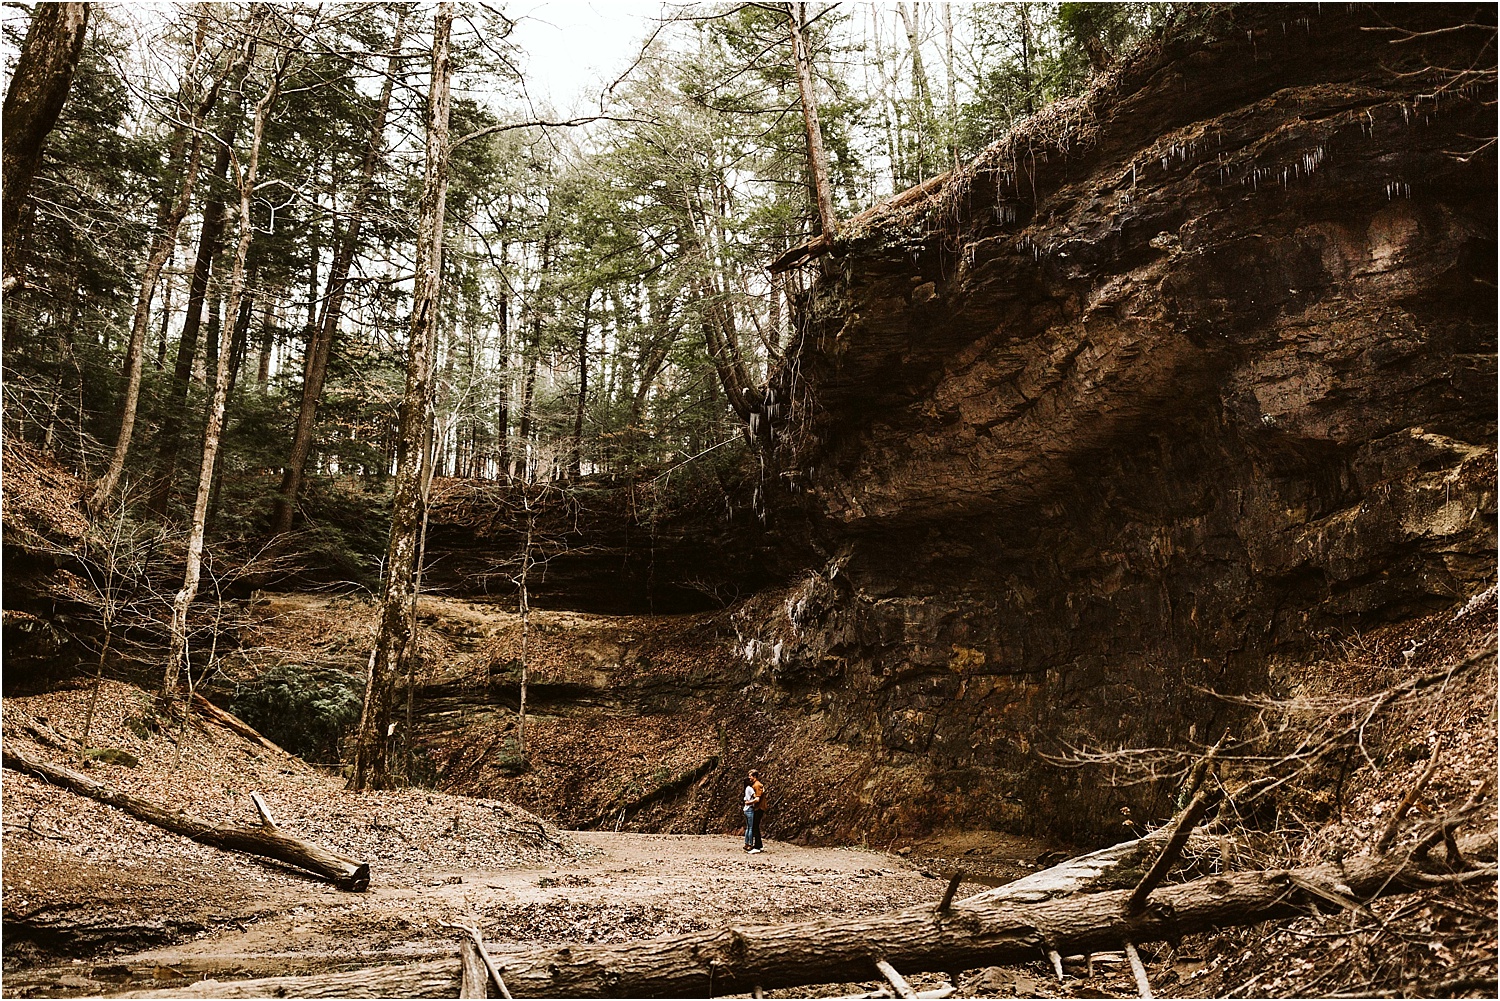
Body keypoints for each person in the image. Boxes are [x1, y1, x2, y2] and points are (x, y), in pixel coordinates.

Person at [749, 768, 767, 853]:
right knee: (755, 826)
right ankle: (759, 845)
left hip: (759, 808)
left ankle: (757, 847)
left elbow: (757, 799)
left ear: (754, 776)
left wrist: (748, 803)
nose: (749, 778)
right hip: (757, 808)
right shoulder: (756, 785)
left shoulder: (757, 785)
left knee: (755, 826)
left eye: (750, 776)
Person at [742, 773, 759, 852]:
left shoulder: (746, 789)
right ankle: (750, 844)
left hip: (745, 809)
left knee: (748, 828)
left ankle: (746, 843)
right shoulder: (750, 788)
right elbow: (756, 797)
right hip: (750, 809)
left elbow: (745, 799)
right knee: (751, 828)